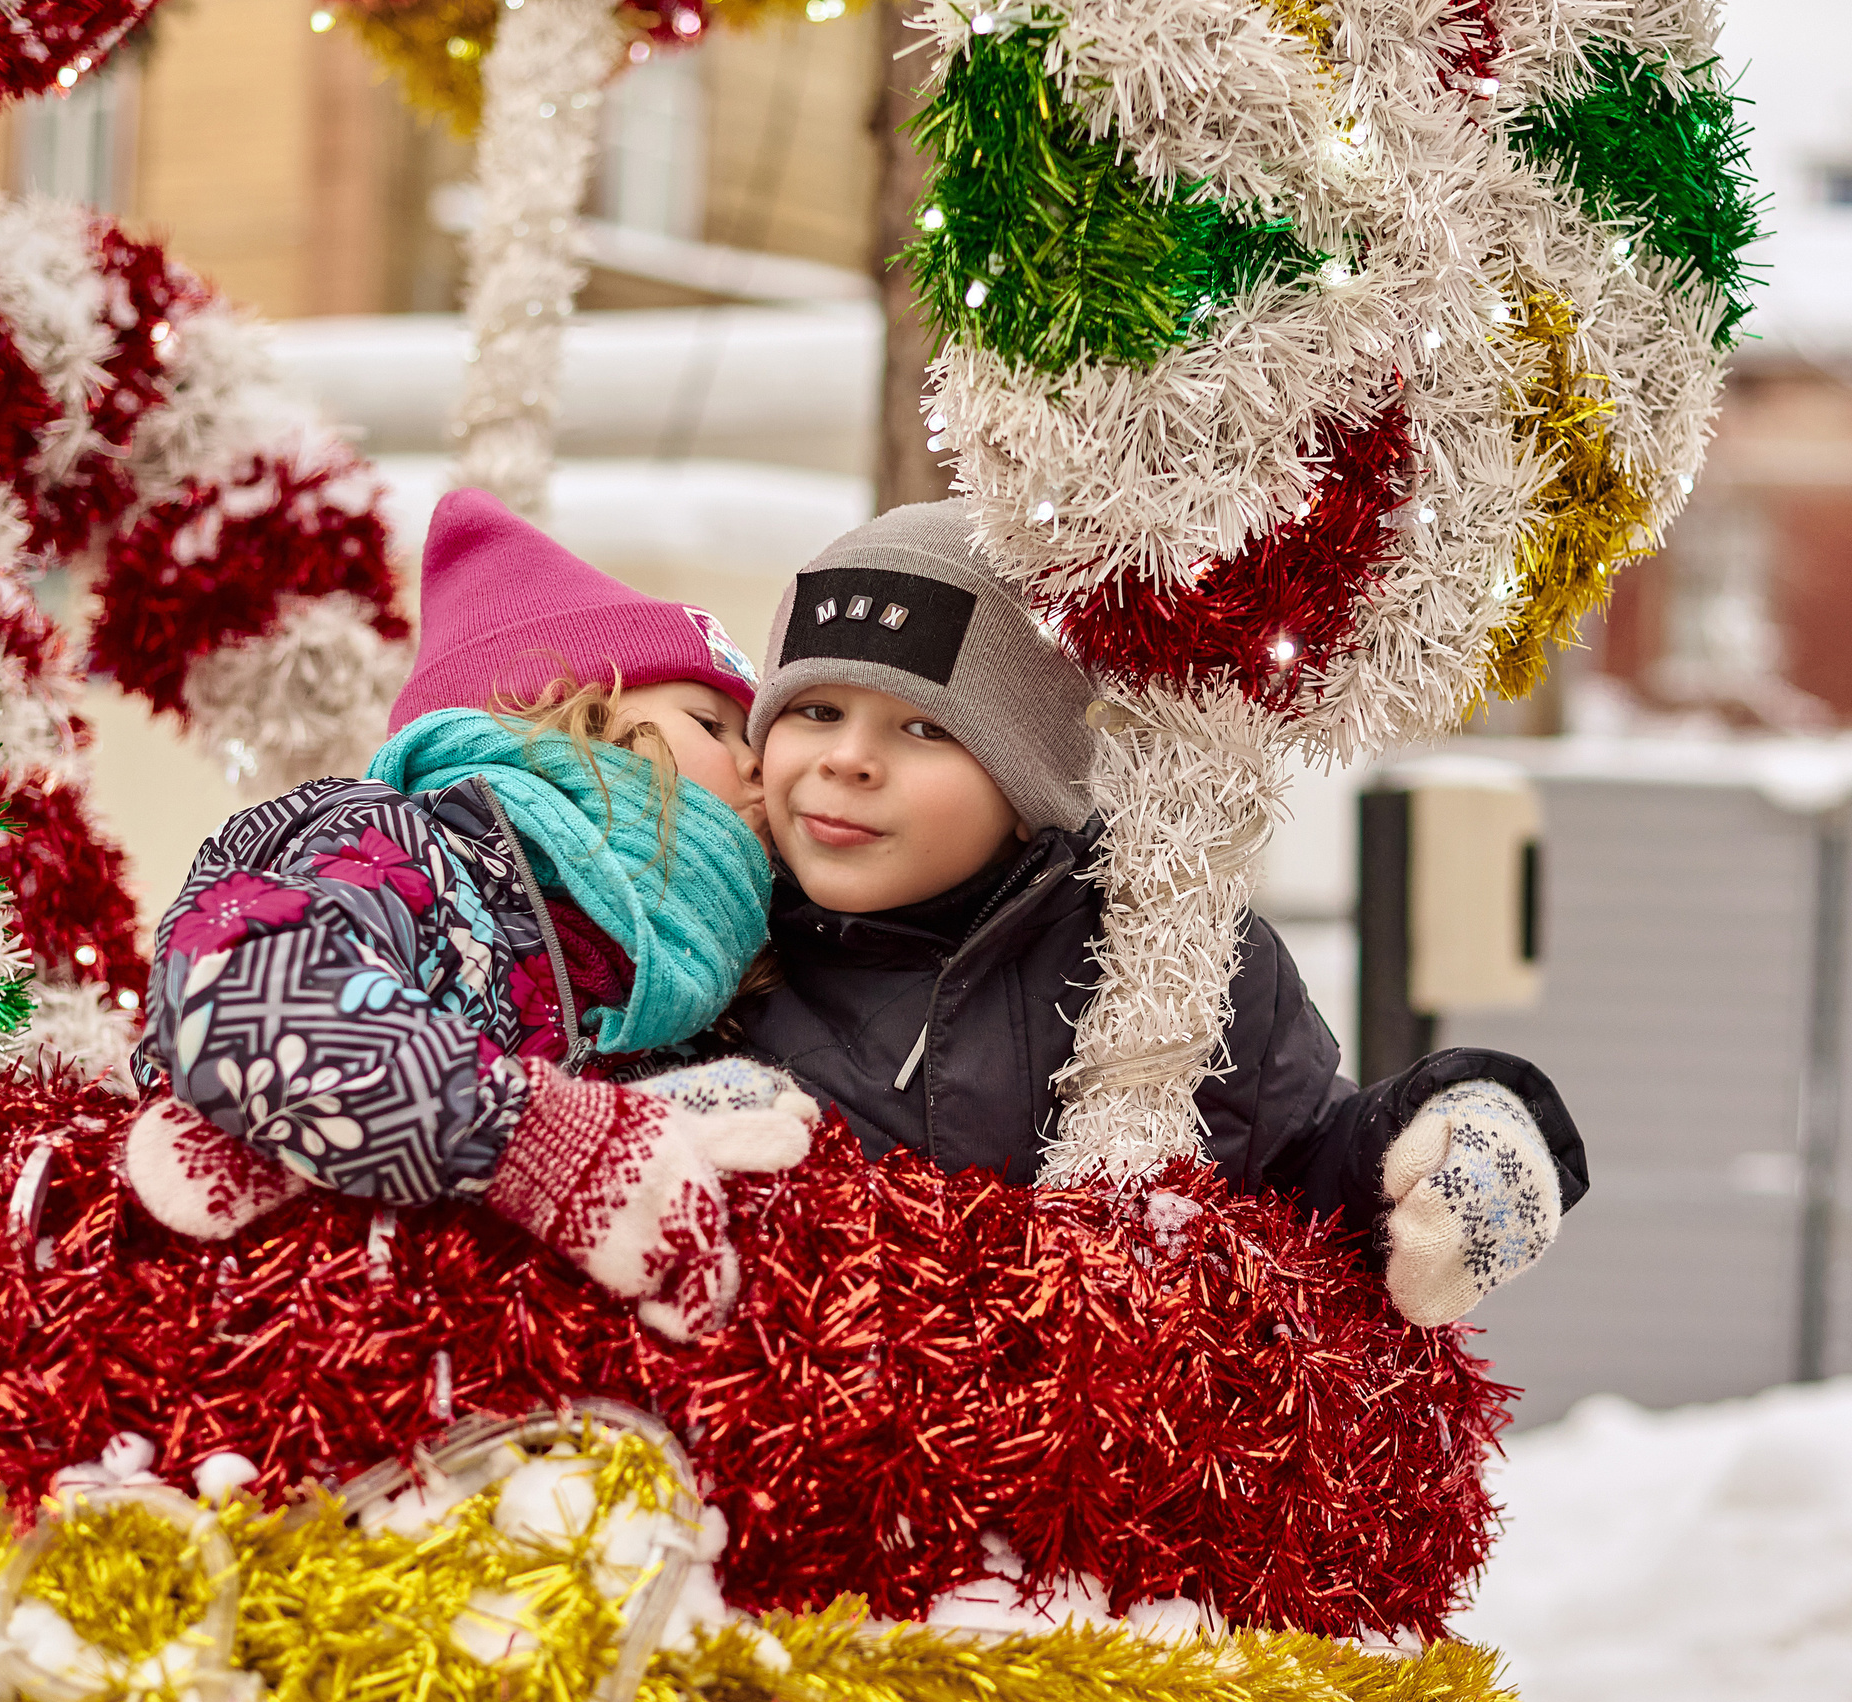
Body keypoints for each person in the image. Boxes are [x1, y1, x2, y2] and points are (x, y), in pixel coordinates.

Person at [730, 500, 1587, 1326]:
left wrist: (1439, 1141)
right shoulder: (712, 957)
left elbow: (1305, 1167)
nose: (847, 759)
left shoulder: (1170, 959)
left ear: (1028, 784)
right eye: (816, 711)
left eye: (924, 729)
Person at [123, 489, 816, 1339]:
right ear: (566, 720)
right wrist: (534, 1141)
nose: (758, 767)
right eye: (712, 721)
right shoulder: (408, 849)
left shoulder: (661, 994)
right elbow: (241, 984)